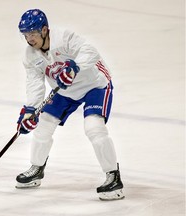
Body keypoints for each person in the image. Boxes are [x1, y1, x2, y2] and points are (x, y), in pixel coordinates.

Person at [16, 9, 124, 201]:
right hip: (65, 91)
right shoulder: (30, 55)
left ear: (44, 30)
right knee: (42, 126)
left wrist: (74, 67)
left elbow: (90, 52)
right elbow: (34, 82)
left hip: (94, 85)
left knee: (94, 128)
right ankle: (36, 169)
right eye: (25, 34)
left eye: (32, 33)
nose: (29, 39)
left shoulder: (63, 37)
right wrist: (30, 110)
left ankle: (113, 176)